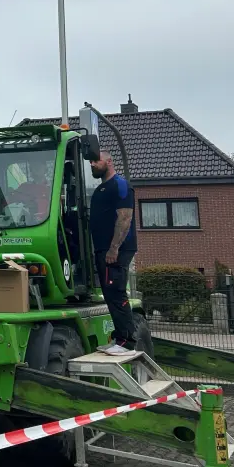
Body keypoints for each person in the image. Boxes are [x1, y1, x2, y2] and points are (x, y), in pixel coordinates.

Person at [88, 150, 138, 356]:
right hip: (104, 250)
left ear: (108, 162)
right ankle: (119, 338)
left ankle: (127, 342)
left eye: (96, 160)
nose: (92, 164)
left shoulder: (120, 185)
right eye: (90, 161)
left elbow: (125, 219)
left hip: (116, 251)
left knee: (116, 292)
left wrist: (113, 249)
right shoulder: (102, 188)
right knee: (109, 294)